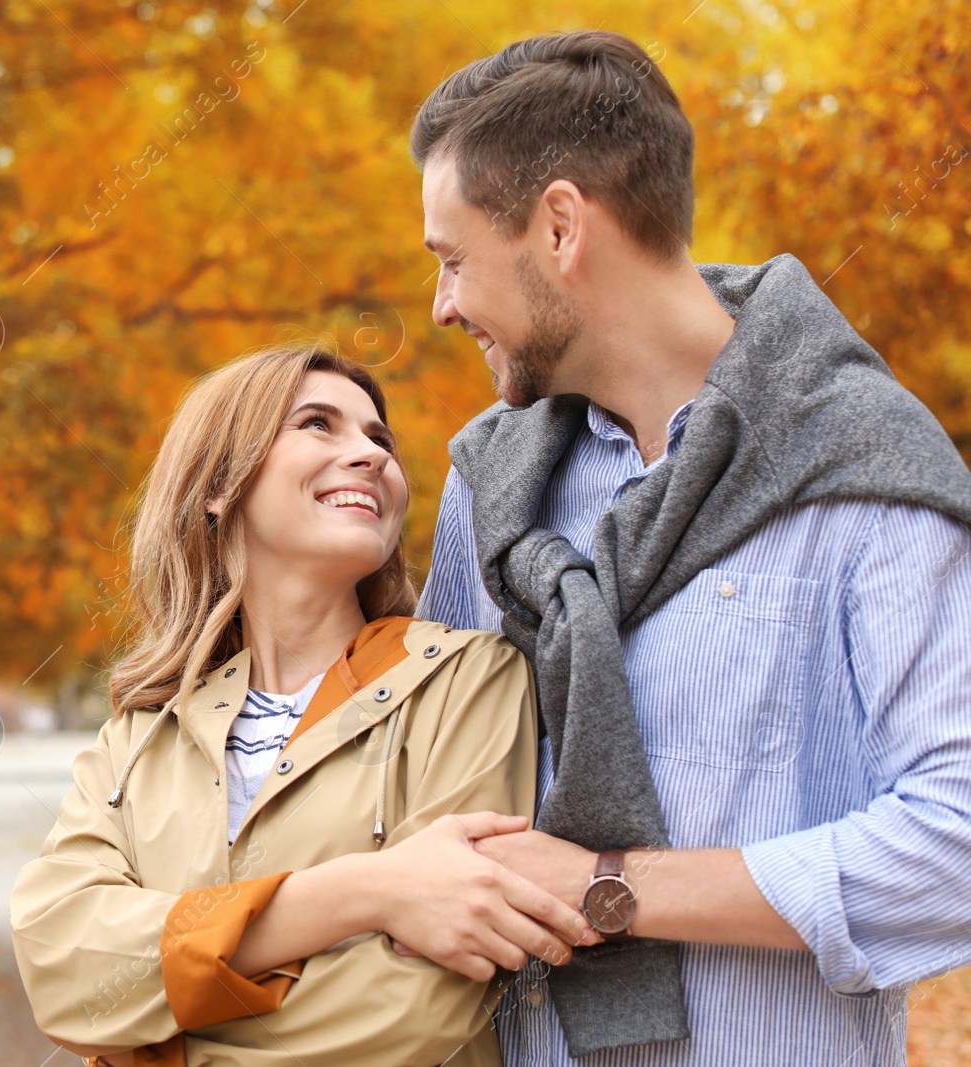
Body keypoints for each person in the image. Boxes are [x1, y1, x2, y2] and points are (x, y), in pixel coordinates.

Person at [405, 29, 971, 1065]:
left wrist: (606, 888)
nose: (442, 306)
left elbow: (957, 839)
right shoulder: (488, 489)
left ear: (560, 226)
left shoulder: (860, 466)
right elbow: (412, 788)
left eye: (452, 261)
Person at [10, 344, 594, 1067]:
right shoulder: (137, 739)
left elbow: (415, 1010)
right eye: (318, 424)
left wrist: (152, 1033)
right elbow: (60, 967)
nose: (370, 455)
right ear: (220, 485)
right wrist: (364, 891)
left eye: (380, 439)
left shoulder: (469, 683)